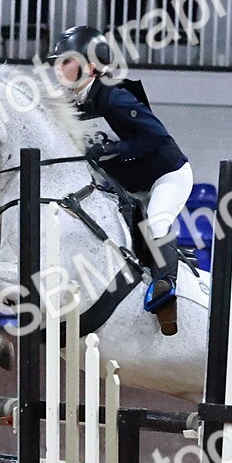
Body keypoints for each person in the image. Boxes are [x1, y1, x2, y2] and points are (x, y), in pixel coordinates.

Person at [47, 24, 193, 335]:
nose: (58, 68)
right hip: (126, 184)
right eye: (56, 62)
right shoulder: (68, 102)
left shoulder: (115, 98)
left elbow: (157, 138)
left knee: (155, 223)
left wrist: (110, 149)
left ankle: (165, 288)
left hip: (165, 174)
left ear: (90, 66)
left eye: (66, 61)